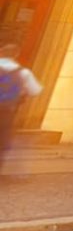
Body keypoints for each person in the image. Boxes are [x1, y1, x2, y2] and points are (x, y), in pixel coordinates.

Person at [0, 43, 42, 176]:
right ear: (16, 55)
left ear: (1, 52)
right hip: (7, 111)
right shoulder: (23, 72)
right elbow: (35, 91)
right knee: (2, 140)